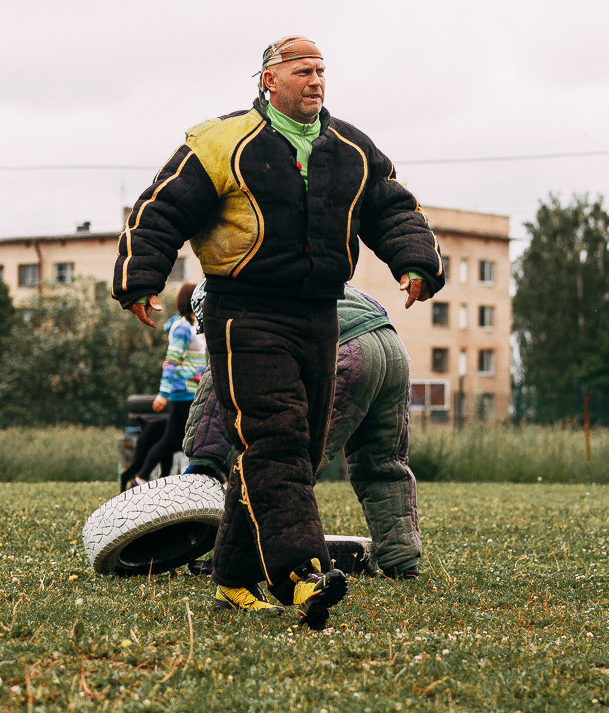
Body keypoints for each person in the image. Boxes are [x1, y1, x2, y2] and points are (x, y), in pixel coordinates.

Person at [113, 36, 444, 630]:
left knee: (298, 446)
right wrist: (140, 276)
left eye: (321, 71)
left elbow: (392, 208)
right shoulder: (220, 142)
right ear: (269, 80)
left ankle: (235, 578)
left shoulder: (351, 147)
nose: (315, 80)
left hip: (321, 312)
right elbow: (160, 210)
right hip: (245, 313)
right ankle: (300, 574)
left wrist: (414, 260)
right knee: (277, 441)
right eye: (302, 71)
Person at [183, 280, 422, 579]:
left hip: (346, 347)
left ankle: (245, 565)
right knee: (384, 464)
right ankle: (402, 561)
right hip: (392, 347)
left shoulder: (234, 310)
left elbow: (215, 389)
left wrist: (202, 461)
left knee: (285, 466)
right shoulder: (273, 278)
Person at [122, 283, 206, 489]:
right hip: (184, 392)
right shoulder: (182, 327)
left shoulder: (195, 326)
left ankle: (140, 478)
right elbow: (171, 360)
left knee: (170, 440)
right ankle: (216, 480)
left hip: (191, 391)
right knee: (194, 439)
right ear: (192, 300)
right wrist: (163, 392)